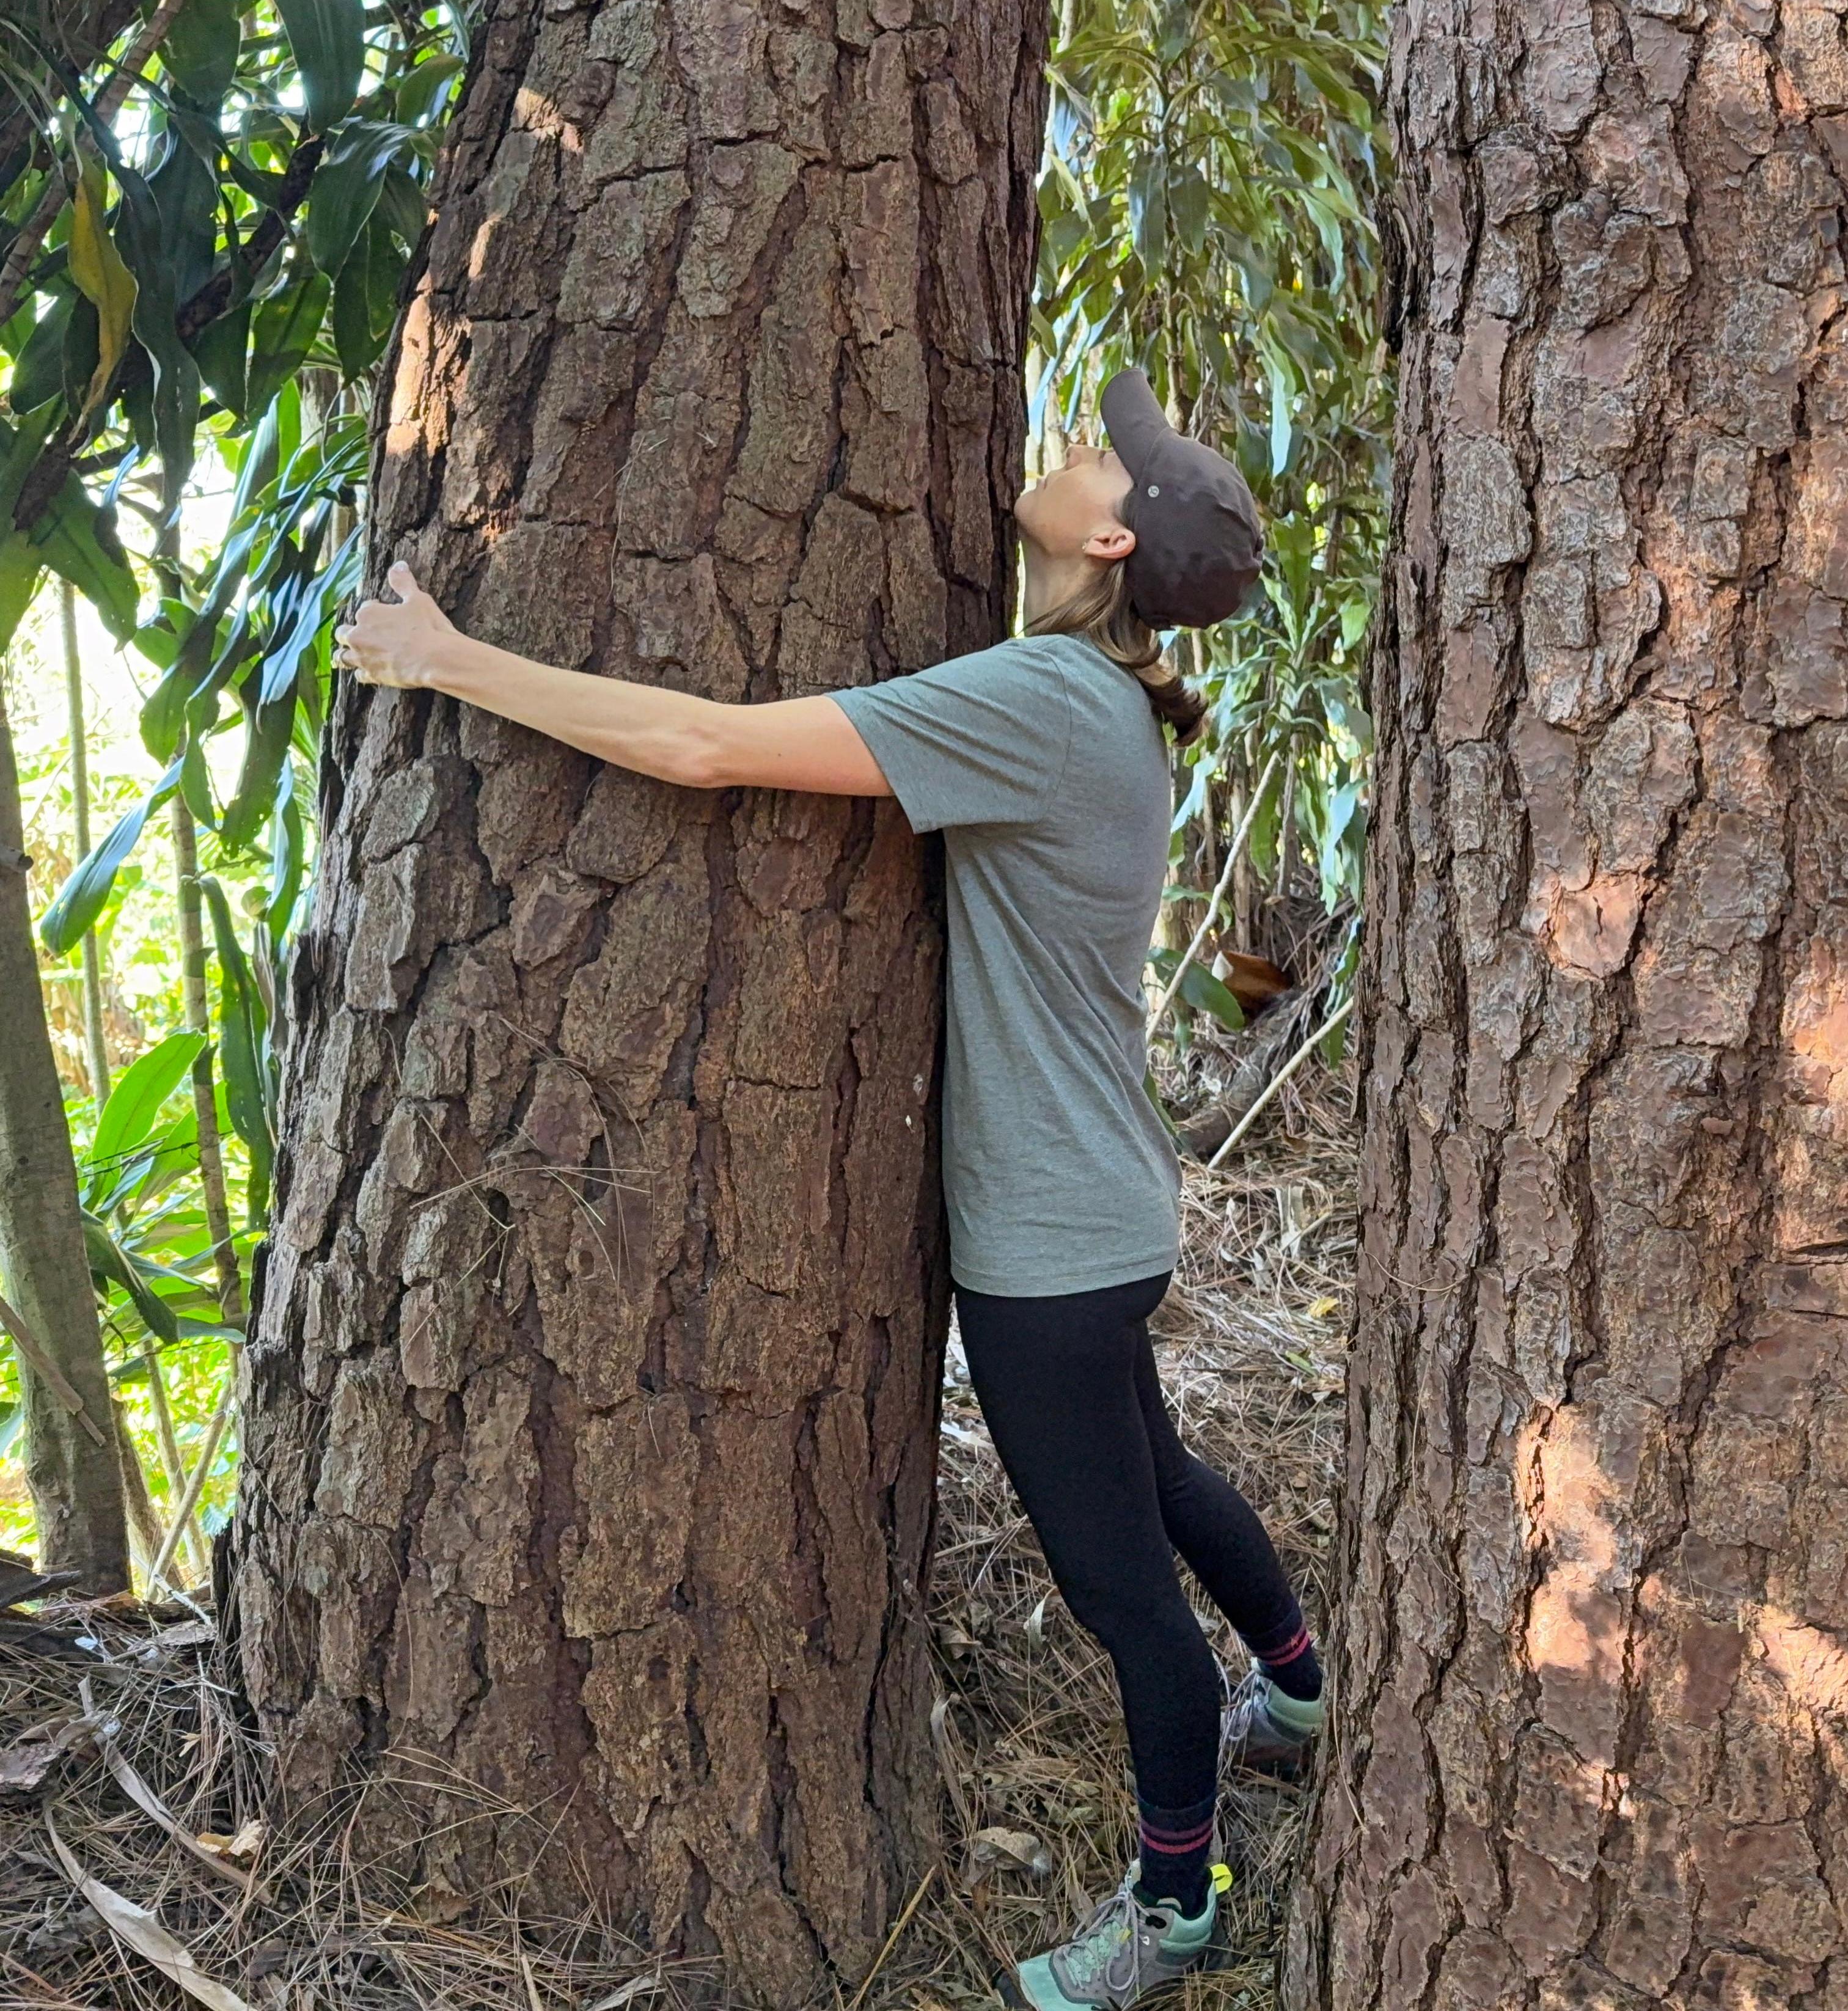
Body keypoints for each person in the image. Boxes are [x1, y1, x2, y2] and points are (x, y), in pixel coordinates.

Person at [345, 365, 1326, 2011]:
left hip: (1049, 1243)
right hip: (1104, 1205)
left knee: (1120, 1591)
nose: (1081, 451)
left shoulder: (1041, 696)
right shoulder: (1089, 700)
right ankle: (1294, 1695)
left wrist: (449, 659)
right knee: (1154, 1470)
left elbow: (702, 744)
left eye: (1107, 456)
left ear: (1102, 533)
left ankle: (1173, 1906)